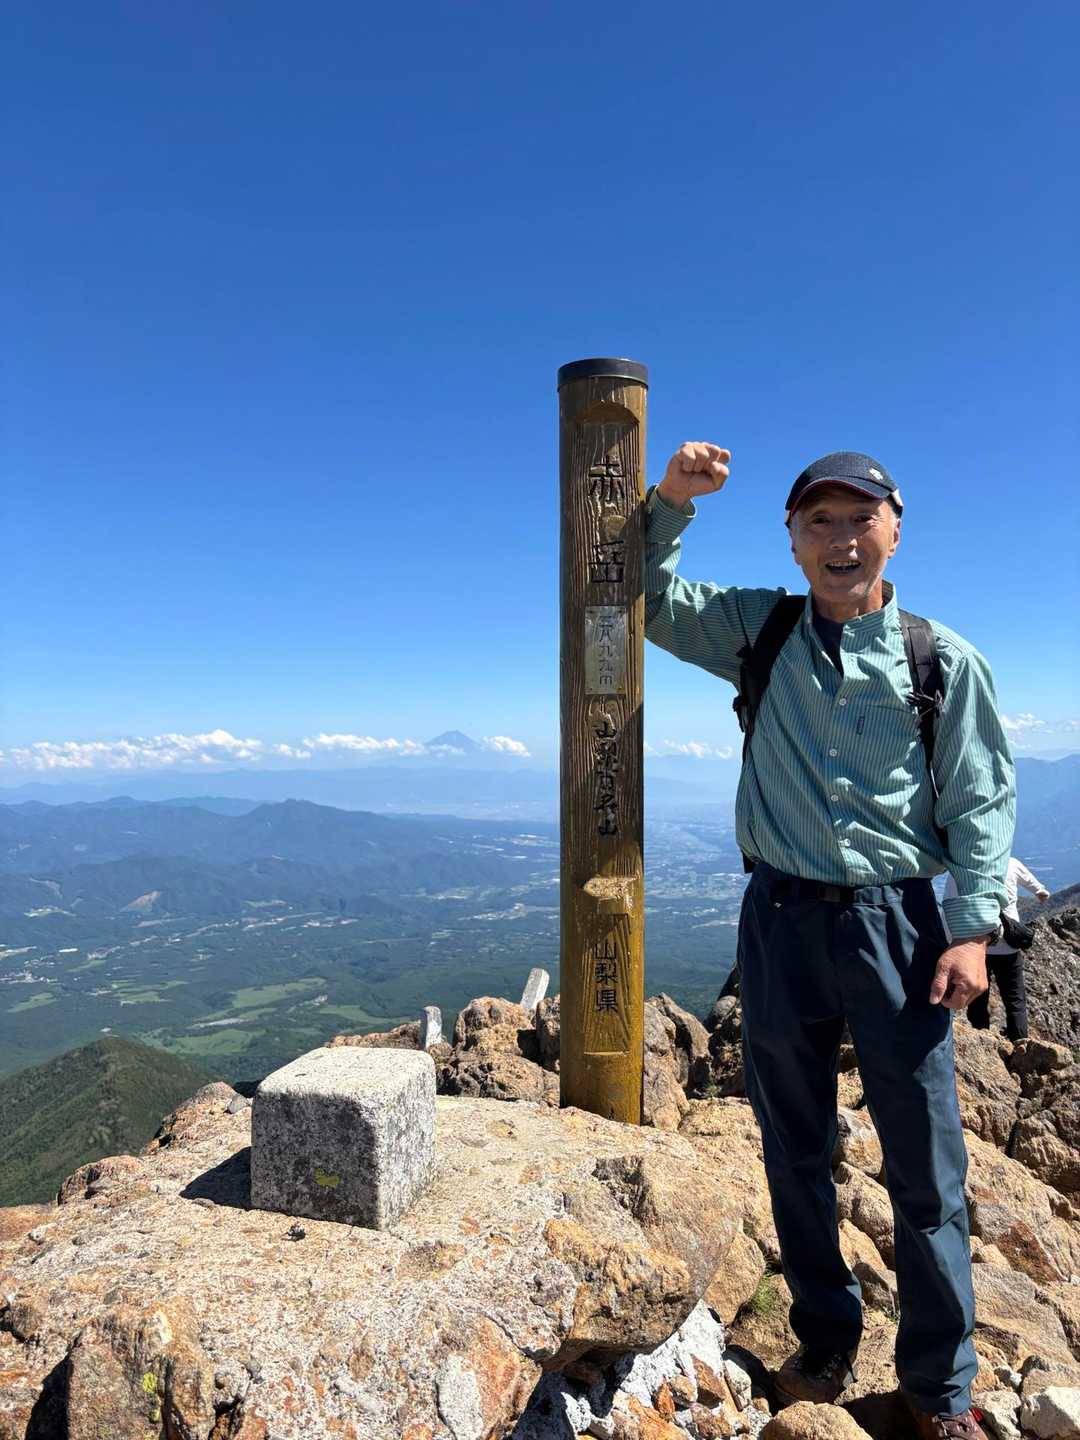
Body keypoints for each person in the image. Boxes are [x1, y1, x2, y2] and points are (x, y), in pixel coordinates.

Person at [645, 444, 1015, 1440]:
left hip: (900, 925)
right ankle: (824, 1339)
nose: (842, 540)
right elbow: (644, 598)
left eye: (861, 519)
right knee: (793, 1144)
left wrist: (972, 929)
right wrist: (672, 500)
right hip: (778, 918)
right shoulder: (759, 629)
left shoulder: (941, 659)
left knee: (925, 1163)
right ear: (793, 539)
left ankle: (941, 1388)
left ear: (895, 530)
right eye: (820, 521)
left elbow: (980, 800)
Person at [944, 857, 1050, 1040]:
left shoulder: (960, 870)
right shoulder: (1011, 863)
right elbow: (1039, 890)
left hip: (978, 947)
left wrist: (949, 944)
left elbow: (949, 908)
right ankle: (1020, 1042)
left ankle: (981, 1039)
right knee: (1015, 1000)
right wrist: (1041, 893)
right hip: (1009, 947)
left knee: (978, 999)